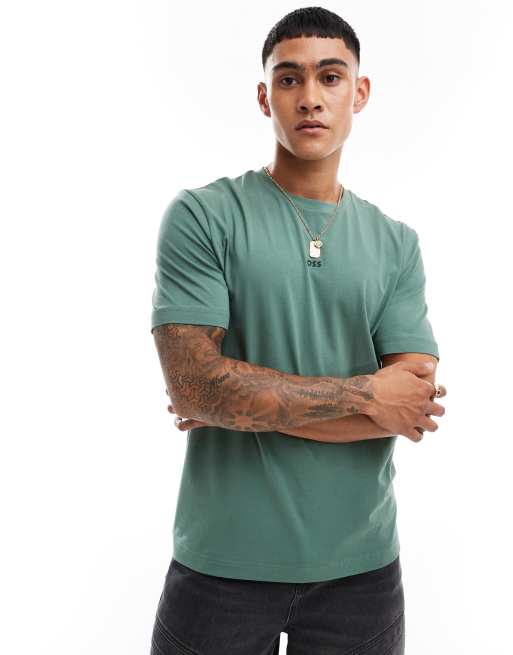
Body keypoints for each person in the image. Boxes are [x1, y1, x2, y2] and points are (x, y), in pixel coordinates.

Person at [148, 7, 447, 655]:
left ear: (358, 92)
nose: (309, 97)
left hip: (361, 572)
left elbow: (411, 405)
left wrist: (238, 399)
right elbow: (196, 388)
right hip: (220, 564)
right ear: (265, 97)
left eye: (330, 77)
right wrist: (367, 394)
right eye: (288, 79)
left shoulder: (396, 243)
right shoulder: (204, 216)